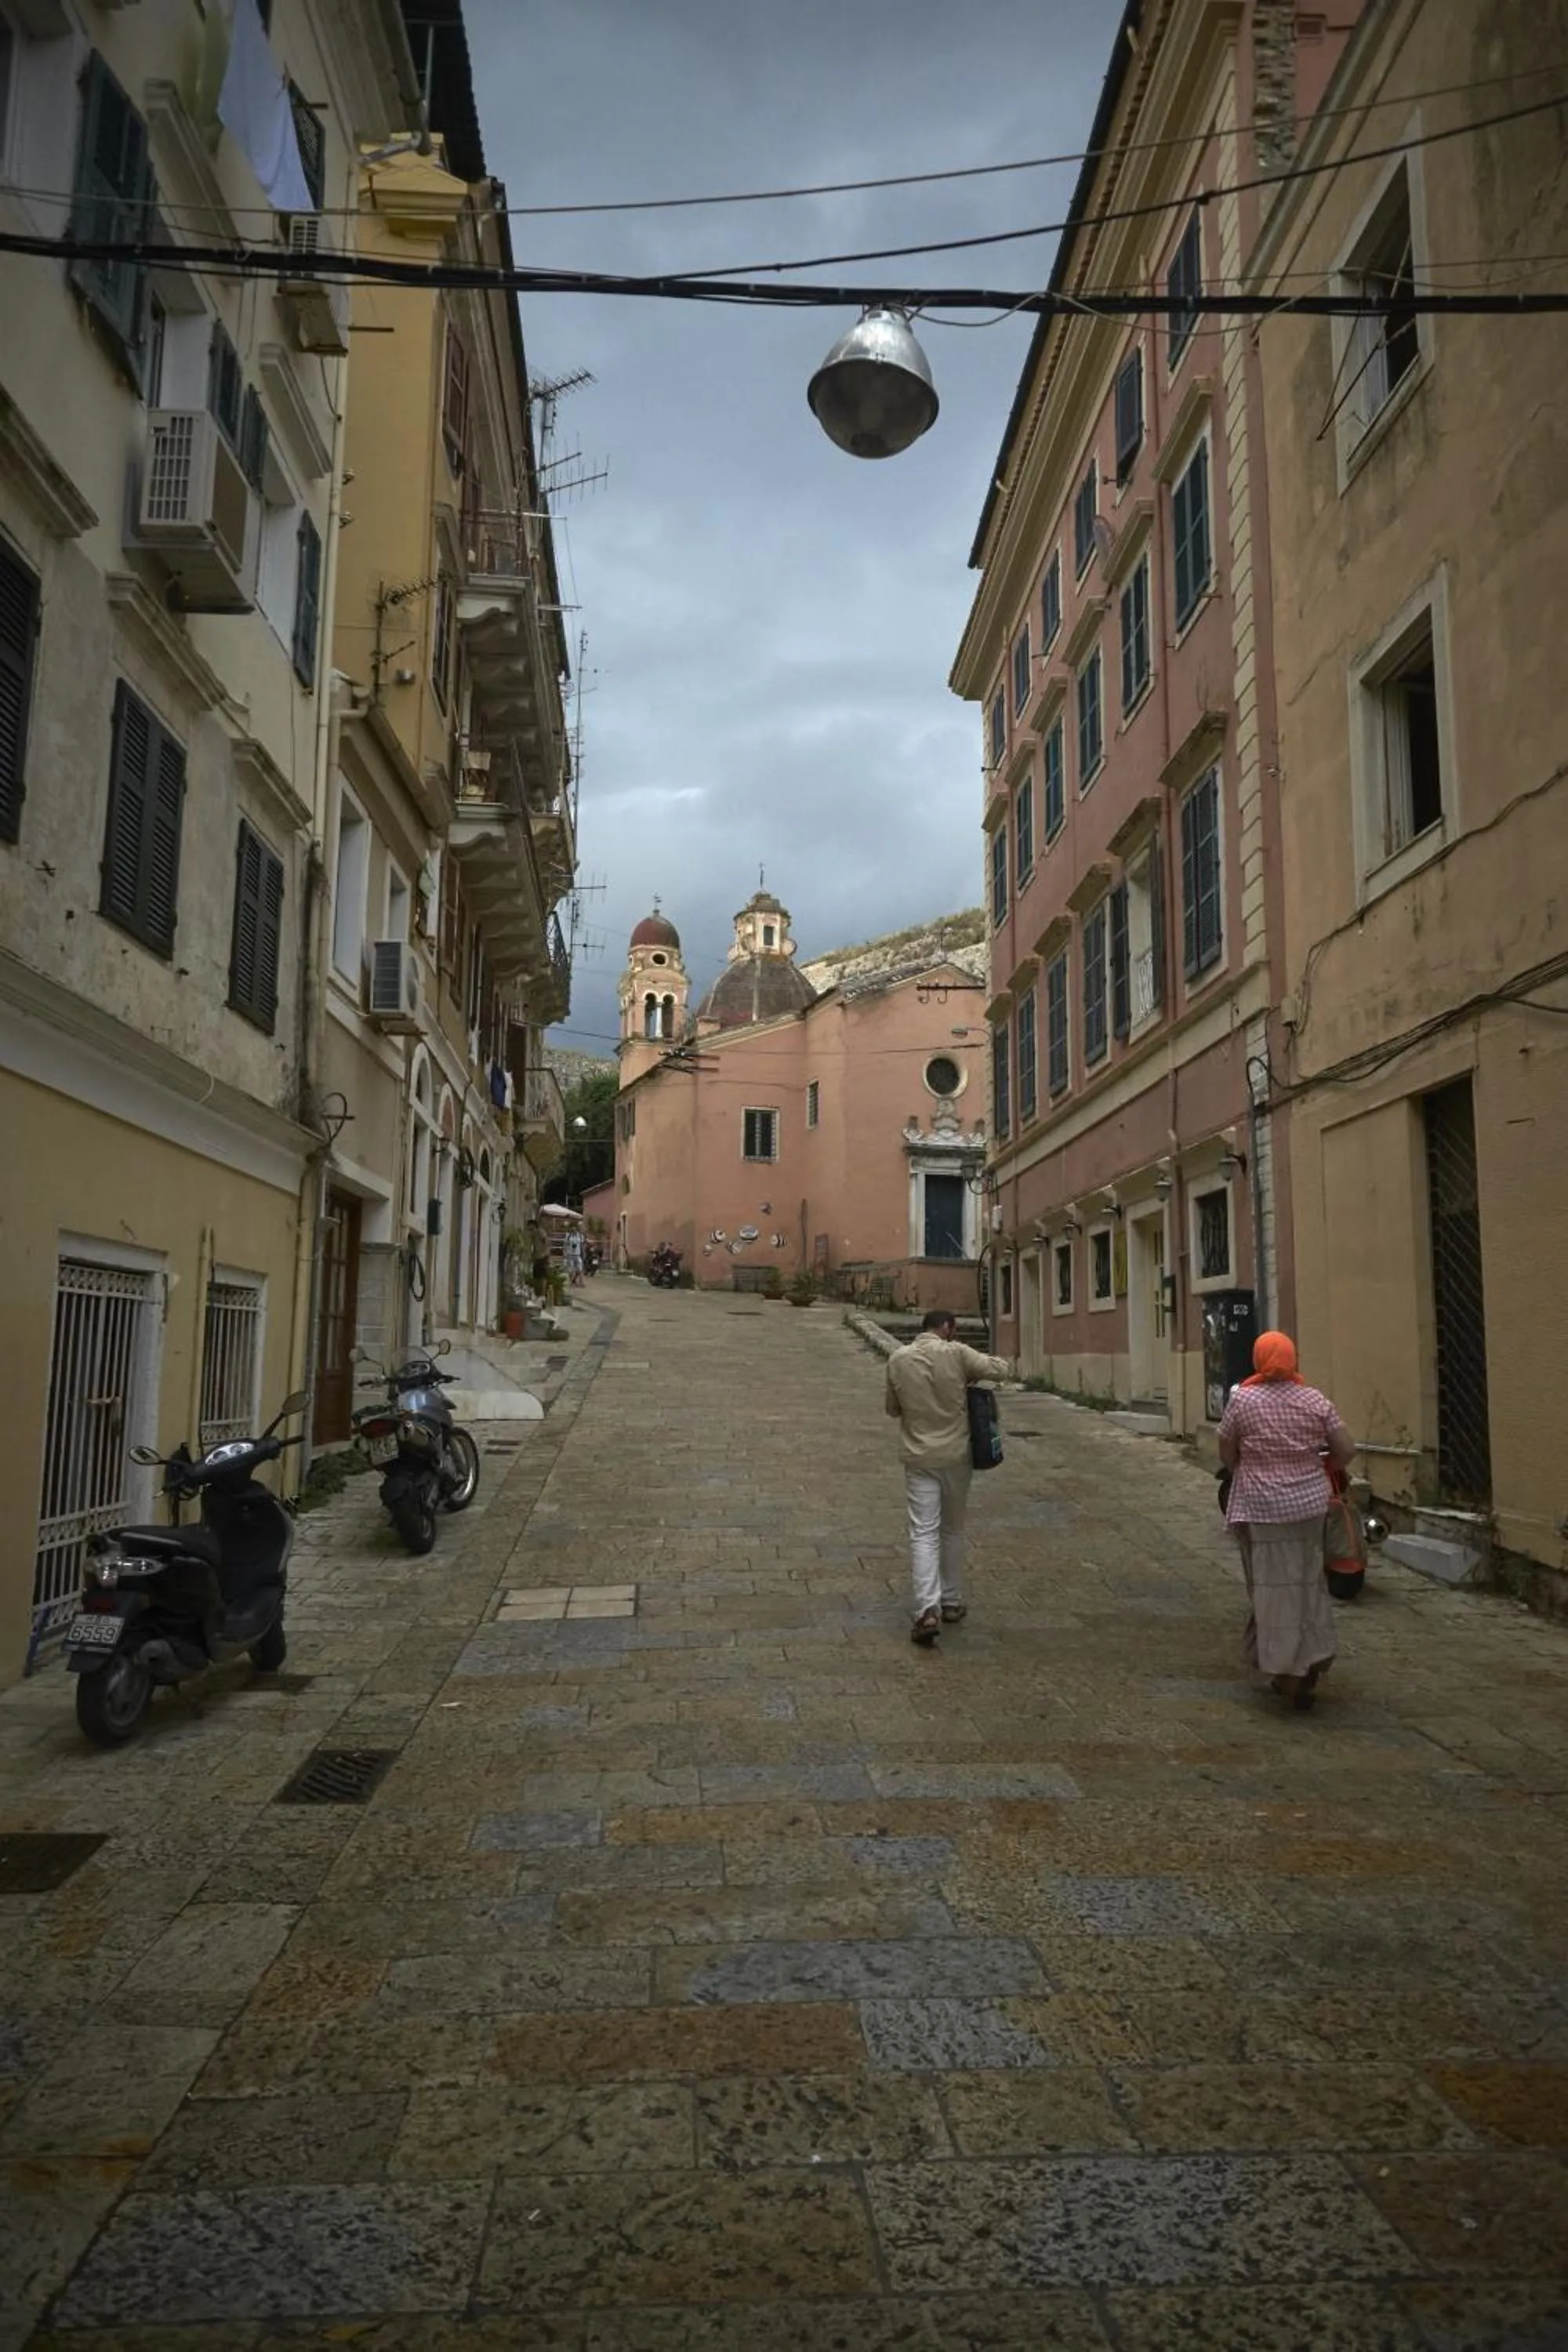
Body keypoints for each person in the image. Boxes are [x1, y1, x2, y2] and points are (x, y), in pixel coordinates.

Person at [1218, 1329, 1356, 1712]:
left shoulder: (1243, 1400)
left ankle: (1285, 1671)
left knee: (1270, 1587)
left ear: (1259, 1358)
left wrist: (1244, 1468)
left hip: (1260, 1506)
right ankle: (1311, 1661)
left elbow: (1227, 1449)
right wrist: (1321, 1466)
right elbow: (1347, 1449)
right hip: (1308, 1506)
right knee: (1308, 1582)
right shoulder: (1314, 1400)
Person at [885, 1308, 1014, 1646]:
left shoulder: (898, 1359)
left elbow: (892, 1408)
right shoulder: (957, 1353)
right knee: (953, 1529)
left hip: (919, 1456)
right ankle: (952, 1600)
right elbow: (1000, 1369)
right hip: (957, 1455)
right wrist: (965, 1379)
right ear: (948, 1328)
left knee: (923, 1531)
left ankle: (927, 1609)